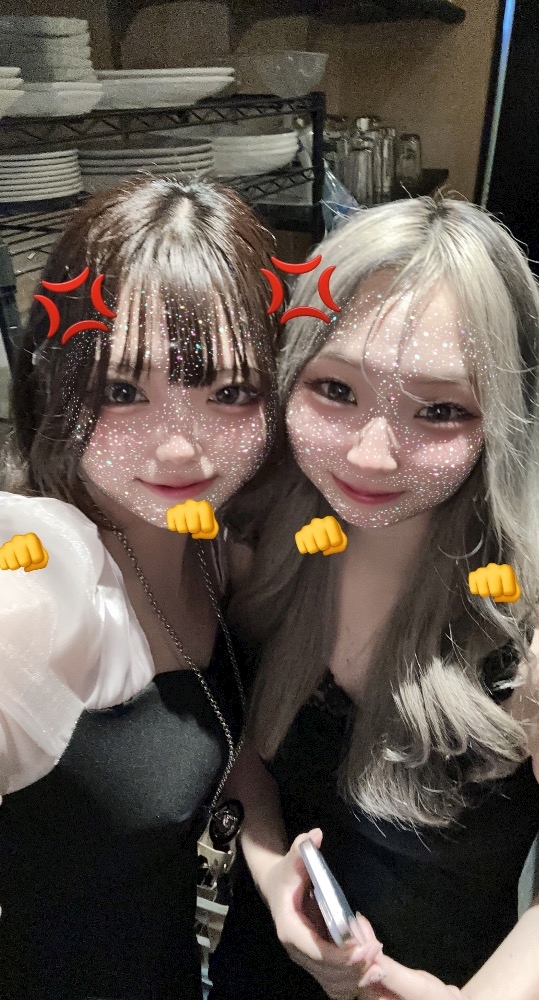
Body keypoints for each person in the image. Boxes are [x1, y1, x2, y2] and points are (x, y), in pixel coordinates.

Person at [209, 197, 539, 1000]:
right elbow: (239, 748)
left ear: (503, 420)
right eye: (336, 389)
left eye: (440, 410)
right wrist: (272, 872)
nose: (372, 455)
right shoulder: (253, 556)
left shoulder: (536, 642)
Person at [0, 176, 280, 1000]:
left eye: (229, 393)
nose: (179, 450)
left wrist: (274, 869)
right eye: (123, 392)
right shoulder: (33, 599)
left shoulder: (216, 554)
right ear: (56, 385)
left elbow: (218, 740)